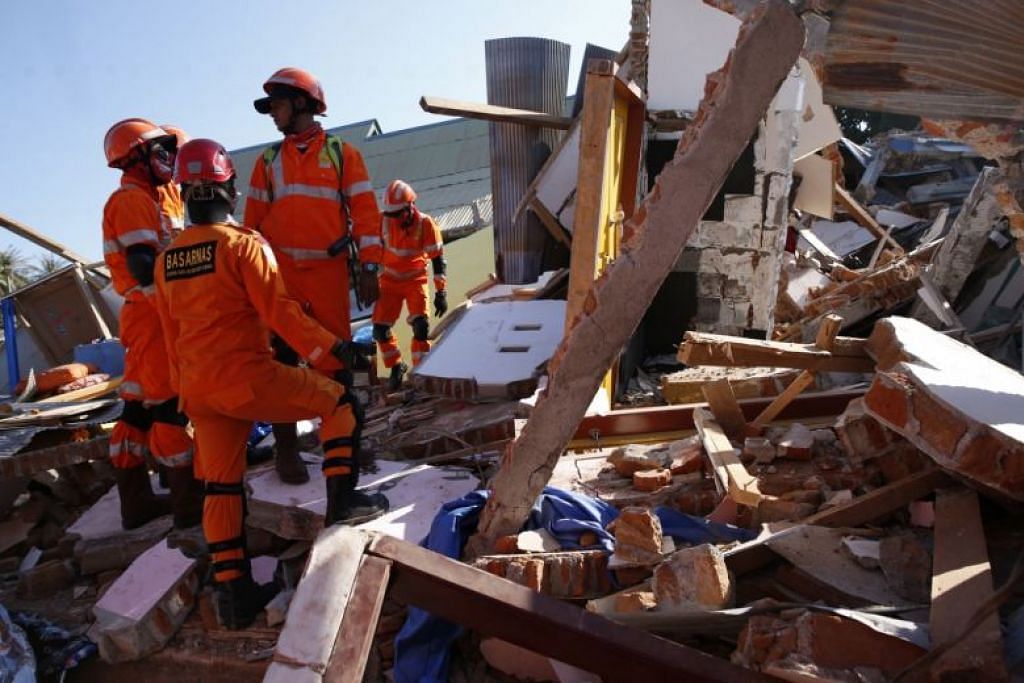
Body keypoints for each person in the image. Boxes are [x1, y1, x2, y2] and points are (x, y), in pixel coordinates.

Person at [154, 138, 388, 629]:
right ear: (228, 188)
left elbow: (170, 333)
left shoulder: (167, 259)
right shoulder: (243, 244)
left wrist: (180, 394)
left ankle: (236, 595)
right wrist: (335, 349)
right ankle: (343, 506)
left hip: (200, 390)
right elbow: (280, 313)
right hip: (248, 378)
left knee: (220, 487)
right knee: (341, 402)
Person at [245, 67, 383, 485]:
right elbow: (251, 228)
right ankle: (287, 451)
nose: (273, 114)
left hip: (328, 275)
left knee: (338, 364)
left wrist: (371, 266)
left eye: (278, 105)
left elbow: (364, 213)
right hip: (281, 282)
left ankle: (346, 443)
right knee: (282, 365)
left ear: (302, 103)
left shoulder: (342, 153)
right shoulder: (267, 162)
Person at [101, 118, 202, 531]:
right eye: (158, 152)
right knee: (167, 407)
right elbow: (144, 266)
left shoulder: (163, 195)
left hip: (159, 316)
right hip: (152, 316)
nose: (167, 161)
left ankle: (135, 502)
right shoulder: (129, 200)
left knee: (137, 413)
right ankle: (186, 506)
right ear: (135, 158)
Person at [372, 179, 448, 390]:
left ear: (409, 207)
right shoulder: (383, 220)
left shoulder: (425, 224)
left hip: (415, 279)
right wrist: (368, 273)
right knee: (379, 330)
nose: (393, 219)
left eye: (397, 215)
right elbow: (369, 248)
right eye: (391, 215)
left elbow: (437, 259)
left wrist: (441, 292)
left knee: (421, 327)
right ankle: (397, 365)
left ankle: (422, 372)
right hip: (389, 280)